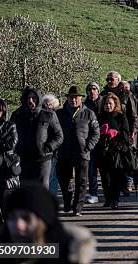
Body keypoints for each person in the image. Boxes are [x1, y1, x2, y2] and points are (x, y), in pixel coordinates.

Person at [0, 182, 96, 263]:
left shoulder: (65, 252)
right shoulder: (0, 249)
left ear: (44, 222)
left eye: (26, 218)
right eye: (12, 218)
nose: (18, 225)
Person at [55, 86, 100, 216]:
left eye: (76, 97)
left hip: (82, 152)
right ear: (67, 98)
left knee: (81, 182)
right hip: (64, 152)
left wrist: (88, 147)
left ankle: (78, 208)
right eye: (71, 97)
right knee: (63, 181)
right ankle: (67, 199)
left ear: (81, 98)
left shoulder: (88, 113)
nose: (74, 100)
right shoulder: (59, 114)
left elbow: (96, 133)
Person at [10, 87, 63, 189]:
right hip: (24, 159)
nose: (31, 101)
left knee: (41, 191)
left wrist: (47, 148)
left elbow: (59, 136)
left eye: (34, 98)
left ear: (38, 99)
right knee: (25, 191)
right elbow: (12, 135)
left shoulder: (49, 115)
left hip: (43, 160)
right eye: (28, 98)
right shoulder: (18, 116)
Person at [97, 93, 133, 209]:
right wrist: (101, 132)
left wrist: (115, 134)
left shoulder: (120, 117)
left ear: (115, 104)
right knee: (105, 178)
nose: (108, 106)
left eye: (110, 103)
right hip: (102, 152)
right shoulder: (100, 117)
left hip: (116, 152)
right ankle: (108, 198)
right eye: (106, 103)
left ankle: (115, 200)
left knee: (115, 178)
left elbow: (126, 135)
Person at [0, 99, 19, 226]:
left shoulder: (10, 125)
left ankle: (8, 230)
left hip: (6, 168)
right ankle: (0, 229)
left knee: (5, 202)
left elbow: (11, 144)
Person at [84, 82, 101, 204]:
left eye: (94, 89)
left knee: (107, 169)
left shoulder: (104, 102)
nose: (92, 91)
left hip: (104, 140)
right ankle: (93, 193)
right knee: (91, 169)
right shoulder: (84, 105)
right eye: (89, 89)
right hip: (90, 140)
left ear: (98, 90)